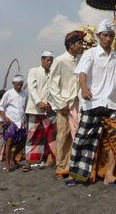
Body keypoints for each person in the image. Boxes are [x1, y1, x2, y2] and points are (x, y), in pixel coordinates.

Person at [68, 19, 116, 185]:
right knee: (82, 140)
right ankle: (75, 175)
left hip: (111, 105)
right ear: (99, 36)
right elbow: (82, 73)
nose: (108, 38)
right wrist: (84, 87)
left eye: (111, 35)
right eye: (105, 35)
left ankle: (110, 175)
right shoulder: (90, 54)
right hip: (92, 103)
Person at [48, 31, 84, 179]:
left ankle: (72, 166)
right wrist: (61, 104)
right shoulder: (60, 60)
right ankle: (61, 167)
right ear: (71, 45)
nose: (81, 46)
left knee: (75, 134)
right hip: (64, 104)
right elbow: (53, 85)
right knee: (63, 135)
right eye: (79, 43)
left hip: (77, 103)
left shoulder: (80, 59)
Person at [25, 51, 56, 170]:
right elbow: (31, 89)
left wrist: (50, 103)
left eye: (51, 61)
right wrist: (39, 102)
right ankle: (28, 161)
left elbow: (52, 90)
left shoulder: (52, 73)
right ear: (42, 60)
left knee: (52, 134)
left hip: (48, 109)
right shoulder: (34, 71)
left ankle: (51, 158)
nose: (49, 62)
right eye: (47, 60)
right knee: (32, 135)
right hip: (35, 109)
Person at [0, 75, 28, 172]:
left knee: (23, 142)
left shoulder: (25, 94)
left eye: (21, 85)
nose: (19, 86)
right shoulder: (8, 94)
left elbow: (26, 109)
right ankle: (7, 166)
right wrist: (5, 117)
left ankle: (13, 157)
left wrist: (26, 118)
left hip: (21, 122)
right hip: (11, 122)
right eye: (17, 85)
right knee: (9, 143)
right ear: (13, 84)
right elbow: (1, 108)